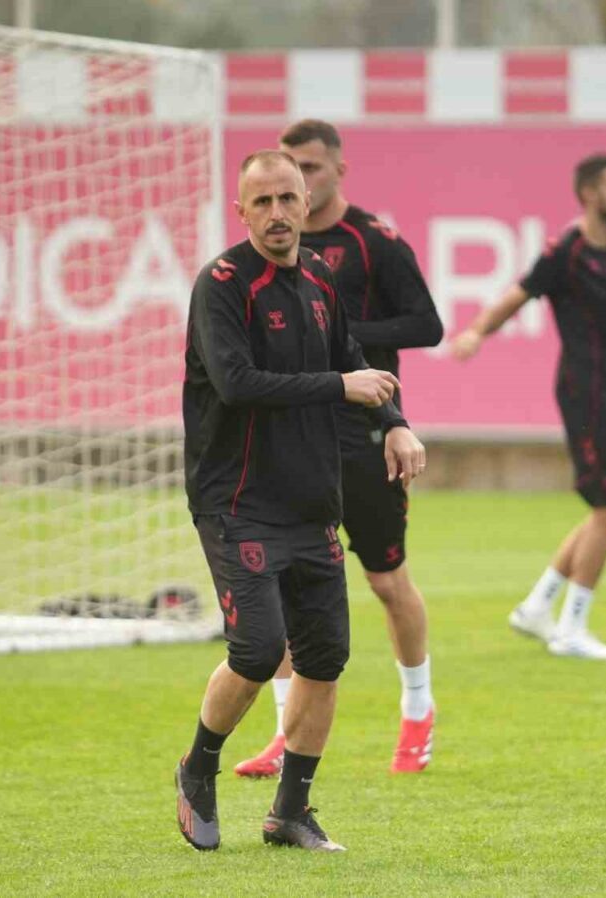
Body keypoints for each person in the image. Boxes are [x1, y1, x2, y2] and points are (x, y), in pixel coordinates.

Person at [176, 150, 426, 852]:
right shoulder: (222, 285)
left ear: (307, 201)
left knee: (324, 659)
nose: (278, 213)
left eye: (288, 198)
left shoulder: (318, 276)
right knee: (258, 650)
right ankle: (197, 767)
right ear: (242, 211)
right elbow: (237, 383)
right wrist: (341, 388)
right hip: (237, 501)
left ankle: (290, 812)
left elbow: (351, 356)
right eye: (263, 202)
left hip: (312, 500)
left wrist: (394, 421)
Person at [233, 120, 444, 779]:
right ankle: (282, 733)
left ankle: (418, 710)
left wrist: (340, 335)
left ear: (336, 172)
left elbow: (429, 324)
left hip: (365, 436)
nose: (297, 184)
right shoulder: (263, 259)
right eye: (287, 172)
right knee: (283, 585)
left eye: (310, 169)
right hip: (295, 440)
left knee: (386, 580)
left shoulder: (372, 241)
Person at [449, 153, 606, 661]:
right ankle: (571, 628)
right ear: (589, 194)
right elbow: (516, 296)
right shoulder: (566, 252)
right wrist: (476, 332)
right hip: (582, 390)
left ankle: (538, 607)